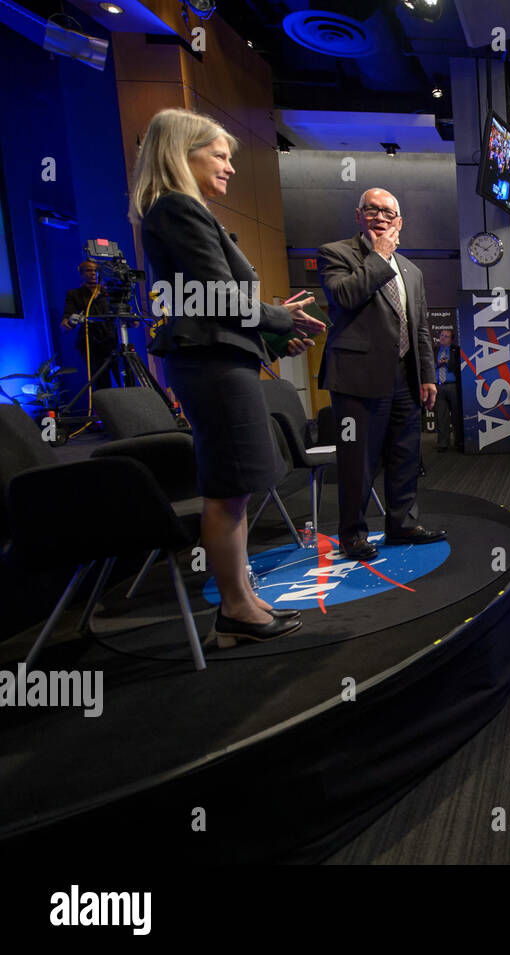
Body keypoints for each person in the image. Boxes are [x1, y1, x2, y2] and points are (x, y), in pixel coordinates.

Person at [133, 107, 325, 645]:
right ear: (181, 154)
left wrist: (269, 332)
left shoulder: (182, 212)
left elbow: (217, 305)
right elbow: (221, 298)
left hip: (220, 360)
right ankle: (236, 610)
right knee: (227, 487)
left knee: (235, 488)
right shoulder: (176, 209)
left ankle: (240, 599)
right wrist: (278, 317)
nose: (229, 168)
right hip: (213, 369)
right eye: (219, 155)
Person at [317, 188, 442, 562]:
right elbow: (344, 297)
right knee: (359, 460)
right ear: (359, 215)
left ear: (400, 222)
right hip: (356, 380)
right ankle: (352, 535)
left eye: (388, 211)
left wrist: (428, 374)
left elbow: (418, 327)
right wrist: (379, 255)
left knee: (405, 455)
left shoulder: (413, 271)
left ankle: (402, 523)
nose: (380, 216)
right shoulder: (335, 254)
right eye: (372, 209)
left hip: (405, 377)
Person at [61, 261, 116, 395]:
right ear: (81, 274)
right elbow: (64, 326)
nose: (93, 273)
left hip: (112, 343)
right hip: (91, 345)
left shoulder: (109, 293)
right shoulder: (74, 294)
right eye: (88, 270)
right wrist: (70, 321)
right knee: (101, 383)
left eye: (95, 271)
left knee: (125, 377)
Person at [432, 329, 462, 452]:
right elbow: (429, 365)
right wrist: (437, 365)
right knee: (441, 416)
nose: (443, 338)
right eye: (442, 336)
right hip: (439, 386)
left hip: (453, 386)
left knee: (456, 416)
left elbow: (458, 366)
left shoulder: (456, 350)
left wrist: (447, 363)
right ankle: (443, 443)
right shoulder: (434, 350)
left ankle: (459, 442)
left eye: (447, 336)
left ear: (451, 339)